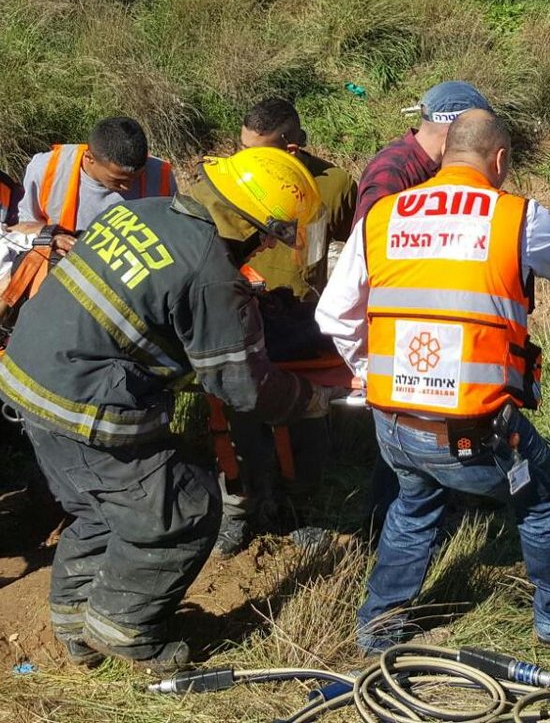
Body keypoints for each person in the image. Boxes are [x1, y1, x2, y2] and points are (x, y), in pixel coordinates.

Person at [0, 147, 333, 671]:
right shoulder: (211, 272)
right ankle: (125, 628)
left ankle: (74, 624)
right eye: (270, 233)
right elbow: (242, 387)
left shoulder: (141, 211)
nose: (269, 244)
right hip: (83, 403)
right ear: (246, 221)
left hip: (27, 378)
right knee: (184, 508)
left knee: (97, 509)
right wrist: (309, 400)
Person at [317, 109, 550, 654]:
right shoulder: (514, 216)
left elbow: (332, 315)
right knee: (547, 498)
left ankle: (378, 629)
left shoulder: (383, 217)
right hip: (472, 425)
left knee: (414, 504)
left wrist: (366, 369)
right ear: (499, 160)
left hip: (393, 420)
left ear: (444, 154)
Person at [214, 98, 358, 557]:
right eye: (241, 148)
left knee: (306, 421)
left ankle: (300, 513)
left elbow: (353, 255)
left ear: (292, 147)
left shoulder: (333, 186)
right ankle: (239, 511)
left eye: (261, 151)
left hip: (301, 323)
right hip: (238, 320)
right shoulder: (235, 182)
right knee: (238, 422)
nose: (245, 161)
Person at [353, 80, 494, 528]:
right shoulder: (393, 174)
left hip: (433, 330)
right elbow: (367, 265)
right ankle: (378, 533)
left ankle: (445, 512)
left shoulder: (433, 171)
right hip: (401, 334)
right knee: (404, 445)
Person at [19, 117, 176, 246]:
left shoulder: (160, 174)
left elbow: (174, 231)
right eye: (118, 180)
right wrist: (50, 238)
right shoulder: (47, 169)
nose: (127, 187)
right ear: (89, 158)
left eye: (136, 178)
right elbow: (23, 228)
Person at [354, 80, 493, 225]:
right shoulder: (393, 172)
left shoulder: (438, 166)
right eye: (478, 130)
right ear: (455, 128)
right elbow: (369, 239)